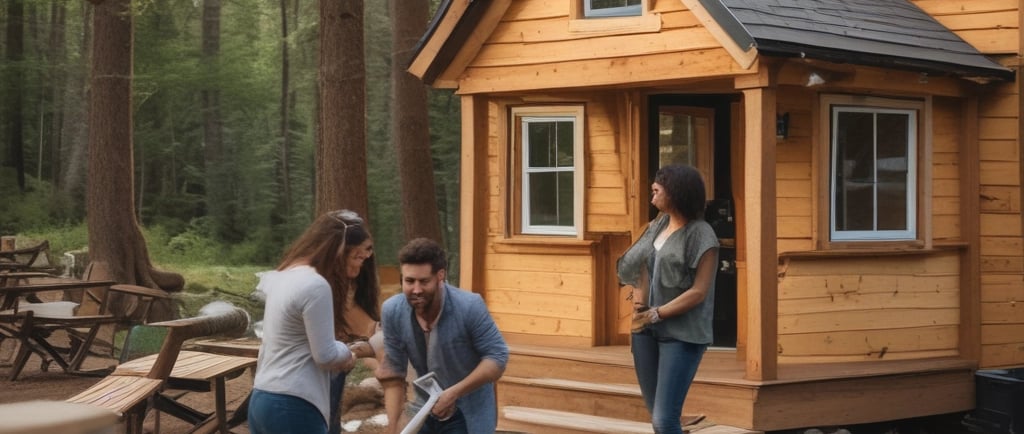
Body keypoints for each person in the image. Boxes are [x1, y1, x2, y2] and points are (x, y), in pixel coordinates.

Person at [617, 164, 719, 434]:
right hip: (645, 331)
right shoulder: (657, 225)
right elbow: (641, 262)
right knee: (658, 416)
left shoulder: (702, 234)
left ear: (676, 192)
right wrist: (639, 296)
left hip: (682, 335)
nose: (653, 190)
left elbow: (699, 291)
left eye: (659, 186)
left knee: (664, 420)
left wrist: (658, 313)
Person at [248, 210, 371, 434]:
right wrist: (348, 353)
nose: (358, 268)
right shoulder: (315, 285)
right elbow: (325, 355)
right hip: (293, 404)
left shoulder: (285, 275)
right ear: (340, 249)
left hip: (262, 398)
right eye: (357, 257)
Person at [376, 238, 509, 434]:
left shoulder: (469, 306)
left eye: (424, 281)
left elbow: (497, 358)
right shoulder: (392, 310)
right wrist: (394, 424)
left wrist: (454, 393)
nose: (416, 290)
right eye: (409, 281)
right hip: (423, 408)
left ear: (440, 276)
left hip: (467, 410)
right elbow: (394, 371)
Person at [327, 210, 381, 434]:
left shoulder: (360, 281)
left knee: (331, 420)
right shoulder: (321, 283)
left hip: (339, 363)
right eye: (356, 255)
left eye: (365, 255)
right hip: (318, 366)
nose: (362, 262)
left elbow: (370, 329)